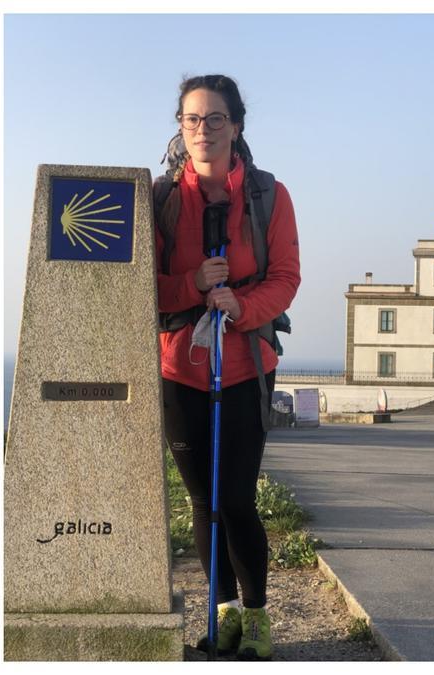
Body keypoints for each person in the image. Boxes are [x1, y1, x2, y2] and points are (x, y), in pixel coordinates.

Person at [155, 74, 300, 660]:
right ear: (180, 128)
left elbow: (285, 278)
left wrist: (241, 306)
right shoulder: (161, 199)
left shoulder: (268, 195)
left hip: (244, 365)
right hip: (180, 369)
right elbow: (140, 289)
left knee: (236, 498)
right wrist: (193, 283)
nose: (203, 130)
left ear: (237, 126)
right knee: (202, 502)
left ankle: (257, 619)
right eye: (192, 119)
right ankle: (224, 620)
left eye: (215, 118)